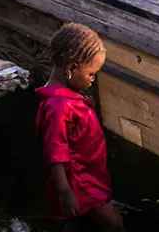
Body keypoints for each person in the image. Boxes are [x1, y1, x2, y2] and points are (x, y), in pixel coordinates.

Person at [36, 23, 122, 232]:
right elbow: (55, 152)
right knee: (113, 222)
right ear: (71, 69)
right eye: (91, 74)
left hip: (88, 172)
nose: (93, 80)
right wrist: (65, 192)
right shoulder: (59, 107)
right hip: (80, 180)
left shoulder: (66, 99)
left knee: (78, 219)